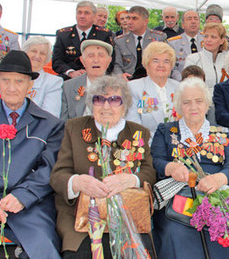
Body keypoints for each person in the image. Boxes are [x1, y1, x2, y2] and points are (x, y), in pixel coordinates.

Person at [0, 50, 64, 258]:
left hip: (29, 204)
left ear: (30, 86)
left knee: (42, 243)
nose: (12, 87)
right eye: (5, 80)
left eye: (19, 81)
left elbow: (49, 168)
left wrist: (22, 196)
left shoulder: (51, 125)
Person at [50, 75, 156, 257]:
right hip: (82, 218)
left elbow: (149, 173)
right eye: (99, 99)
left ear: (124, 106)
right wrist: (78, 182)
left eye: (115, 100)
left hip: (129, 214)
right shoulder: (74, 128)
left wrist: (131, 179)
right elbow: (58, 174)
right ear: (91, 104)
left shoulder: (138, 133)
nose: (106, 106)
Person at [150, 77, 229, 259]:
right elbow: (156, 160)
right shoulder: (166, 131)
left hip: (215, 193)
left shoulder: (223, 133)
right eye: (187, 102)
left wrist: (219, 178)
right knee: (174, 231)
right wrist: (170, 167)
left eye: (199, 101)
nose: (193, 107)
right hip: (178, 196)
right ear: (178, 106)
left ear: (207, 104)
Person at [126, 42, 179, 139]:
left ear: (171, 66)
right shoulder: (133, 88)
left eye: (166, 61)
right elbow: (134, 125)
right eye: (155, 61)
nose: (161, 65)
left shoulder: (180, 88)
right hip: (147, 145)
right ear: (146, 64)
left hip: (177, 146)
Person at [52, 1, 114, 80]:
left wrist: (92, 72)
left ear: (94, 16)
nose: (82, 16)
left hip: (96, 78)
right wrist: (71, 72)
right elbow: (57, 61)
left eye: (86, 13)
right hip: (69, 77)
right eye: (79, 12)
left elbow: (110, 61)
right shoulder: (63, 35)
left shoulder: (104, 34)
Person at [60, 39, 113, 120]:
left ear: (109, 61)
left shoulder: (119, 87)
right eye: (91, 56)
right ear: (82, 61)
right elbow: (63, 122)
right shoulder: (67, 87)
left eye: (101, 56)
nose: (96, 60)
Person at [113, 6, 167, 80]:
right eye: (129, 18)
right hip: (129, 81)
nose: (129, 22)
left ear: (145, 21)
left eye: (134, 18)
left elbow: (167, 61)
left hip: (152, 80)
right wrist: (120, 75)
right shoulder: (120, 41)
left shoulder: (159, 38)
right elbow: (117, 65)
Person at [184, 22, 229, 106]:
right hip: (202, 105)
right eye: (206, 36)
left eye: (213, 37)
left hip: (225, 105)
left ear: (222, 40)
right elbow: (188, 86)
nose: (208, 40)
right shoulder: (193, 59)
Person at [167, 10, 203, 80]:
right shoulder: (172, 43)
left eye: (196, 19)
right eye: (189, 19)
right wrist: (182, 80)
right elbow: (171, 68)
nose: (193, 21)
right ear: (183, 25)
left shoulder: (208, 39)